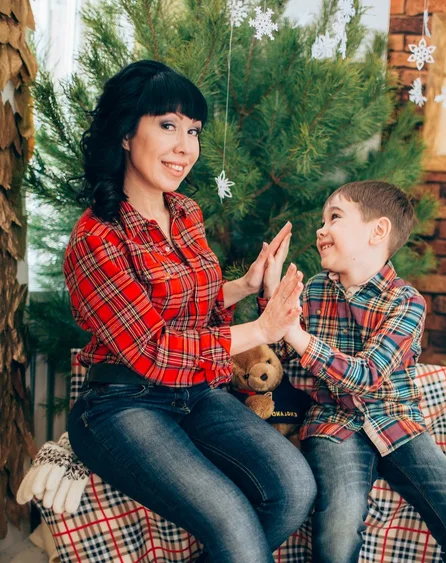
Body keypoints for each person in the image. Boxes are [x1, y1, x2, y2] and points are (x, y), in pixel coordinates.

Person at [64, 60, 316, 563]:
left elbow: (186, 305)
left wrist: (245, 285)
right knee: (232, 522)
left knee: (293, 488)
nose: (186, 147)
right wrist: (263, 328)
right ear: (124, 134)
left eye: (193, 130)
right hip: (122, 404)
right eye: (168, 125)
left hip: (195, 392)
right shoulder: (96, 238)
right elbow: (155, 348)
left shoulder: (184, 213)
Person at [261, 180, 446, 563]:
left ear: (377, 231)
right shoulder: (315, 291)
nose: (321, 229)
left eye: (334, 217)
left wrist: (297, 335)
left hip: (398, 423)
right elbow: (280, 355)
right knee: (337, 530)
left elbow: (367, 375)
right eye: (322, 219)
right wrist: (272, 294)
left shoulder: (407, 302)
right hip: (334, 425)